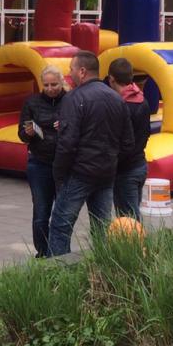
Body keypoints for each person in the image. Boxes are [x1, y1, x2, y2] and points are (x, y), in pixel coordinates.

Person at [47, 51, 134, 257]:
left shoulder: (74, 98)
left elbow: (67, 143)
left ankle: (59, 270)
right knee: (101, 227)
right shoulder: (117, 99)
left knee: (60, 226)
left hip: (79, 174)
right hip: (106, 174)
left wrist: (59, 174)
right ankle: (102, 266)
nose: (69, 73)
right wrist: (111, 161)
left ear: (82, 71)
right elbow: (128, 142)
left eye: (71, 69)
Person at [18, 65, 66, 257]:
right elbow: (22, 135)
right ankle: (43, 252)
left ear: (62, 82)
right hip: (39, 163)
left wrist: (66, 125)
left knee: (63, 212)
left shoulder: (70, 101)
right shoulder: (32, 103)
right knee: (41, 212)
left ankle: (60, 251)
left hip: (64, 164)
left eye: (54, 84)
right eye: (46, 85)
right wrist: (28, 133)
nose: (50, 88)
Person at [108, 57, 151, 221]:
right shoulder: (142, 100)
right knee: (132, 215)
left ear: (112, 79)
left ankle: (137, 240)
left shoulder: (121, 105)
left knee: (128, 221)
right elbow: (146, 134)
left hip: (125, 170)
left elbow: (120, 141)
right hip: (139, 164)